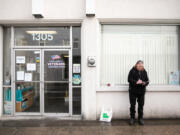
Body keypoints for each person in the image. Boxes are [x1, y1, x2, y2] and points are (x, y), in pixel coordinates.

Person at [128, 60, 149, 125]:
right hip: (133, 91)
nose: (140, 67)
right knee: (132, 105)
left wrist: (144, 83)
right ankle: (132, 118)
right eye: (139, 65)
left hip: (141, 91)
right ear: (136, 65)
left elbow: (147, 80)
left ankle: (140, 118)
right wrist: (136, 82)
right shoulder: (132, 70)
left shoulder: (144, 71)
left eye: (142, 66)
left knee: (141, 106)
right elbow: (129, 79)